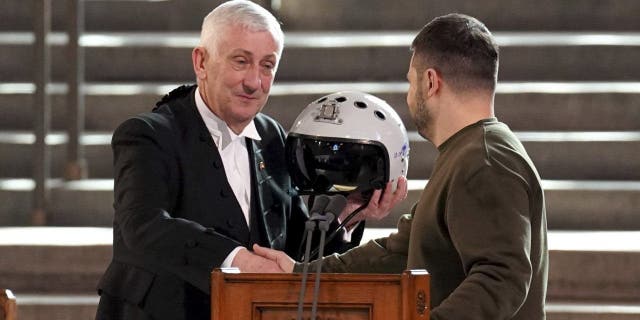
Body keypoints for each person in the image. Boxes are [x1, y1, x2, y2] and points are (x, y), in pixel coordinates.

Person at [94, 1, 407, 319]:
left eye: (267, 65)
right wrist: (238, 259)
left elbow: (294, 255)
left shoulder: (274, 137)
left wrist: (348, 214)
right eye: (241, 62)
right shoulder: (146, 135)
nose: (254, 82)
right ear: (201, 62)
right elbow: (143, 226)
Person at [255, 13, 549, 319]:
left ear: (431, 82)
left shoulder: (485, 160)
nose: (409, 97)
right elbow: (398, 251)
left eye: (411, 83)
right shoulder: (469, 151)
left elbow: (502, 278)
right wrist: (302, 271)